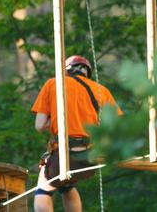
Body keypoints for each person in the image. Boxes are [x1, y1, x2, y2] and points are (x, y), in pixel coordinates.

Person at [31, 55, 121, 212]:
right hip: (91, 157)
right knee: (66, 186)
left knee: (43, 189)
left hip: (65, 154)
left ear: (66, 70)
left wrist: (55, 117)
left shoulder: (54, 84)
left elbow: (39, 126)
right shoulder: (101, 91)